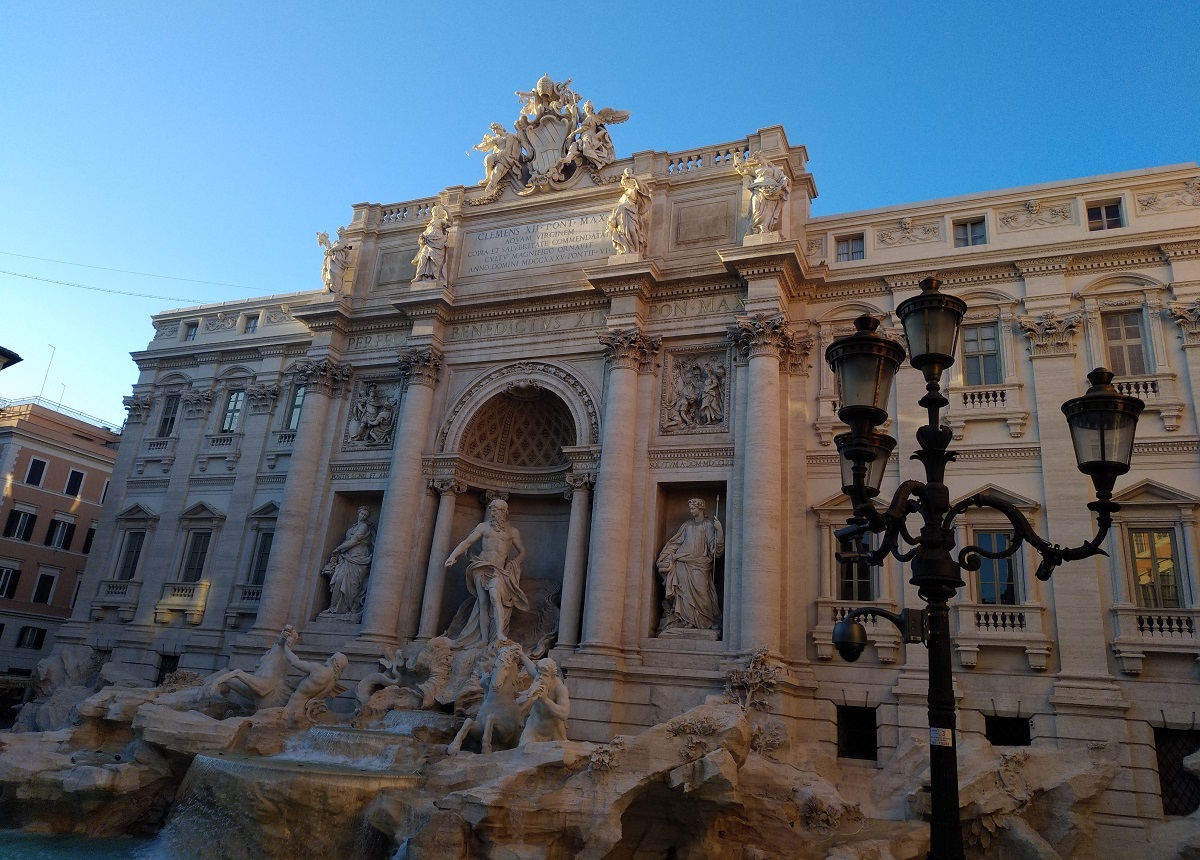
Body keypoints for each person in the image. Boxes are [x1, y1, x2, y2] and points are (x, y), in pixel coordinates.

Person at [445, 499, 530, 645]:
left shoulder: (512, 531)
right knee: (483, 602)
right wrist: (452, 556)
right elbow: (467, 542)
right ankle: (484, 639)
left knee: (495, 597)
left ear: (504, 511)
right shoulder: (483, 527)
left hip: (499, 571)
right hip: (482, 567)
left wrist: (514, 563)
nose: (493, 512)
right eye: (492, 509)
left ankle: (498, 633)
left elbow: (522, 552)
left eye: (496, 509)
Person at [657, 499, 724, 633]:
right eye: (690, 509)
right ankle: (687, 621)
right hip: (682, 563)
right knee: (684, 593)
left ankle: (705, 621)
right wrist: (666, 555)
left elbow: (714, 549)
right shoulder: (687, 525)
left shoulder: (708, 525)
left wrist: (720, 530)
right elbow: (676, 542)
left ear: (701, 508)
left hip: (701, 564)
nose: (691, 511)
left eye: (693, 508)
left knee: (702, 592)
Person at [515, 650, 569, 746]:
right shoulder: (539, 677)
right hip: (532, 729)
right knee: (523, 754)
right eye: (539, 673)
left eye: (544, 675)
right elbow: (531, 667)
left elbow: (564, 713)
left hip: (554, 733)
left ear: (552, 677)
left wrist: (545, 700)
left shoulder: (560, 688)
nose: (540, 677)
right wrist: (521, 655)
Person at [327, 507, 374, 615]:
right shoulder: (354, 527)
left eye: (365, 515)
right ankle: (334, 607)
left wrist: (338, 549)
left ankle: (347, 609)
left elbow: (354, 541)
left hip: (359, 557)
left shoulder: (364, 527)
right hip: (347, 556)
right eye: (362, 514)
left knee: (353, 585)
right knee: (338, 579)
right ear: (358, 513)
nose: (363, 517)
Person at [283, 647, 348, 724]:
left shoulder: (319, 670)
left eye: (330, 658)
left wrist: (285, 646)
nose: (327, 659)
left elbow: (294, 662)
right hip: (303, 713)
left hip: (289, 709)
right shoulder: (332, 684)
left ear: (333, 661)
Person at [734, 153, 790, 234]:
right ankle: (756, 227)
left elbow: (783, 177)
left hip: (771, 191)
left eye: (758, 158)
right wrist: (737, 160)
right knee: (756, 209)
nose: (757, 160)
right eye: (755, 159)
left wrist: (784, 182)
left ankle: (763, 226)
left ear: (764, 157)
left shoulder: (774, 170)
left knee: (768, 210)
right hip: (757, 189)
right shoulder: (756, 170)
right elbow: (743, 169)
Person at [607, 169, 649, 255]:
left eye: (626, 181)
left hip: (631, 214)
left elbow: (640, 188)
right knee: (623, 233)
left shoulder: (633, 191)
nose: (624, 183)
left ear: (631, 182)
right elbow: (619, 207)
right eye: (624, 181)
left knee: (632, 231)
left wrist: (635, 178)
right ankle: (627, 248)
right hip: (622, 215)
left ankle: (636, 251)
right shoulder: (623, 195)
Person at [474, 123, 523, 193]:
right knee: (488, 158)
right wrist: (478, 147)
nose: (494, 132)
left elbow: (508, 148)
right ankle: (488, 177)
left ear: (499, 128)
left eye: (494, 130)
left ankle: (492, 184)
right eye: (493, 130)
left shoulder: (509, 136)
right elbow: (488, 146)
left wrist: (501, 154)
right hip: (497, 155)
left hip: (507, 156)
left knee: (497, 169)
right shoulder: (496, 139)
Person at [411, 204, 450, 283]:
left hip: (438, 242)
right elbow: (426, 233)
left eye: (436, 211)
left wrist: (447, 210)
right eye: (433, 211)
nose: (434, 212)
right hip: (428, 241)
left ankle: (434, 276)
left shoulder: (440, 221)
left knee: (433, 259)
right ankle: (419, 276)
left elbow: (449, 220)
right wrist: (422, 238)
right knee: (423, 258)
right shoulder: (429, 223)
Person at [318, 228, 351, 292]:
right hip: (333, 259)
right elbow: (330, 247)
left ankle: (336, 289)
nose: (340, 233)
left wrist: (331, 250)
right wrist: (326, 240)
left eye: (342, 232)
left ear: (344, 233)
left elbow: (341, 246)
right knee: (330, 271)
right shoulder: (335, 242)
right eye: (339, 232)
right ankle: (331, 288)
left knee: (336, 273)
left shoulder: (345, 240)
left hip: (339, 260)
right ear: (337, 233)